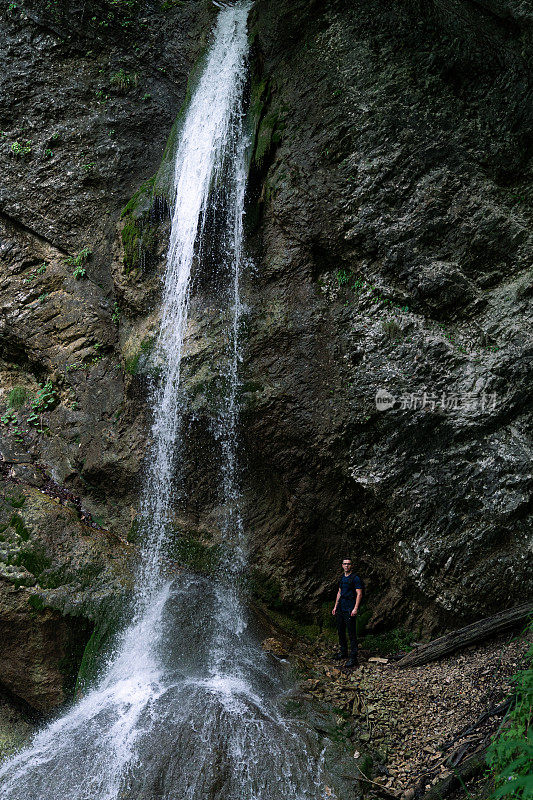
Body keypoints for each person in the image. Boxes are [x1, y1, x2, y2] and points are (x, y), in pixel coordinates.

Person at [331, 557, 362, 667]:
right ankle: (343, 652)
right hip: (341, 608)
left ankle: (353, 657)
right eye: (344, 564)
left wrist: (355, 608)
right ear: (342, 565)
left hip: (350, 608)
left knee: (351, 633)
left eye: (348, 564)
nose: (346, 565)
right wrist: (335, 607)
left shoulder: (355, 578)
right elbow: (339, 593)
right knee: (340, 631)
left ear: (351, 566)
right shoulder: (342, 578)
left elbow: (359, 593)